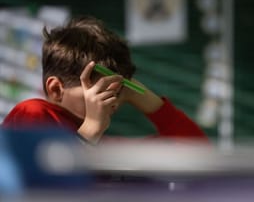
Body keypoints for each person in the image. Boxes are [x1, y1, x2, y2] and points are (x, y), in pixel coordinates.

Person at [1, 15, 209, 145]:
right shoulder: (33, 113)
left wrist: (136, 92)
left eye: (117, 92)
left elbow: (195, 148)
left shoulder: (104, 147)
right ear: (56, 89)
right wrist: (90, 129)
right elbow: (38, 180)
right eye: (102, 90)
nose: (112, 101)